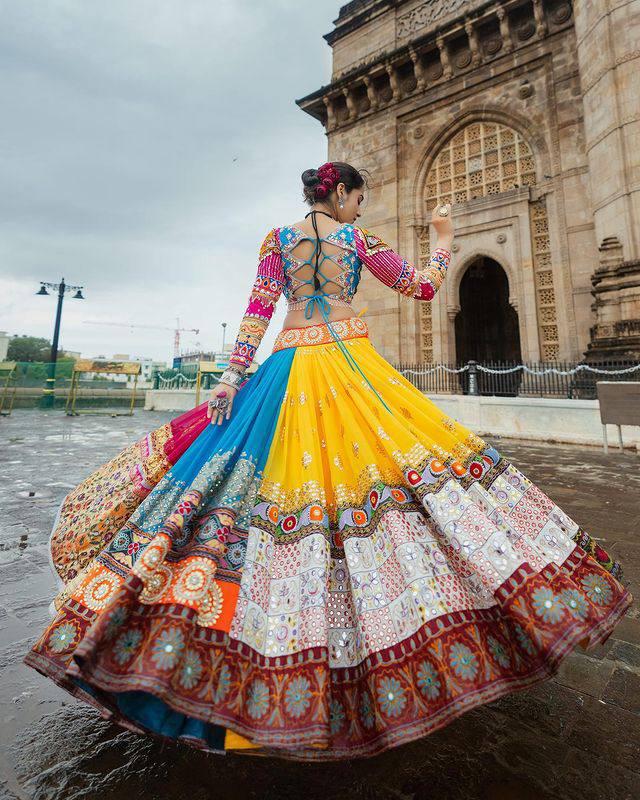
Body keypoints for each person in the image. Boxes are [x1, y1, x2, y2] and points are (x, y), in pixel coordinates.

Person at [24, 161, 633, 762]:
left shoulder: (278, 240)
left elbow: (257, 315)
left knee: (251, 490)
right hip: (352, 369)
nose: (359, 210)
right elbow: (420, 287)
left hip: (288, 370)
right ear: (340, 193)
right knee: (397, 483)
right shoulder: (356, 240)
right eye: (358, 200)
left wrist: (232, 379)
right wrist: (444, 242)